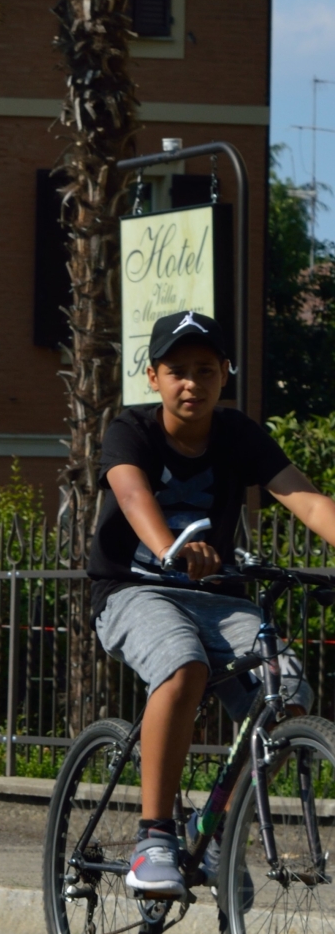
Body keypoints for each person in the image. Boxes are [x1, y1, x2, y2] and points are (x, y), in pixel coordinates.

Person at [88, 310, 335, 896]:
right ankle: (153, 839)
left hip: (218, 599)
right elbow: (130, 491)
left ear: (226, 374)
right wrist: (170, 548)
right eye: (177, 370)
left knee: (289, 696)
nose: (191, 382)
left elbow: (308, 500)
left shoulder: (239, 435)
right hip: (132, 590)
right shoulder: (132, 430)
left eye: (205, 369)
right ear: (153, 377)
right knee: (182, 665)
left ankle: (215, 826)